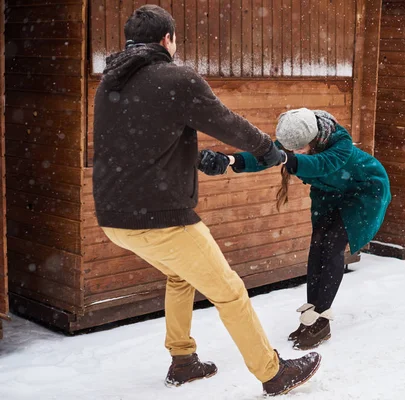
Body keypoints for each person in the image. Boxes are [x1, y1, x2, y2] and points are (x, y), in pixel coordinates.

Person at [92, 5, 321, 396]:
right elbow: (225, 121)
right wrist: (268, 148)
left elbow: (136, 143)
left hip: (114, 219)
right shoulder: (175, 77)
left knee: (180, 276)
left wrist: (195, 159)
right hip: (161, 218)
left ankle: (183, 362)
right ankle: (273, 373)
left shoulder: (110, 83)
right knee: (229, 291)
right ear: (168, 39)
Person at [200, 108, 391, 350]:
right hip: (330, 193)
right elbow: (265, 155)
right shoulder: (296, 139)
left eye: (299, 149)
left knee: (333, 245)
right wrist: (229, 160)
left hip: (364, 191)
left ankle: (321, 320)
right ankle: (310, 314)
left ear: (313, 139)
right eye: (291, 149)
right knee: (317, 245)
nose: (295, 152)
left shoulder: (339, 142)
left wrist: (284, 158)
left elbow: (320, 164)